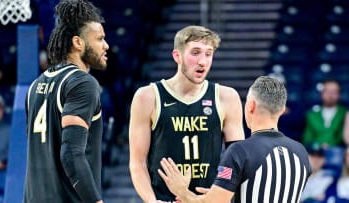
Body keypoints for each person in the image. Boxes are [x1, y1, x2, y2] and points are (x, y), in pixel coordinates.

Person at [129, 25, 244, 202]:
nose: (203, 62)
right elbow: (137, 163)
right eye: (195, 52)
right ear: (177, 56)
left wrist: (220, 192)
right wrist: (152, 201)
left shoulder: (226, 97)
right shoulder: (148, 96)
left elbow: (236, 161)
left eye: (208, 53)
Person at [158, 76, 311, 203]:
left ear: (250, 106)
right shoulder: (301, 153)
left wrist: (182, 192)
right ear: (282, 110)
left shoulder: (240, 150)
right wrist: (225, 193)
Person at [24, 0, 109, 202]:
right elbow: (71, 153)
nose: (106, 46)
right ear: (78, 42)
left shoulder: (36, 85)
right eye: (100, 39)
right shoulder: (82, 83)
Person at [302, 79, 347, 147]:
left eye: (334, 92)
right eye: (327, 91)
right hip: (315, 153)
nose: (330, 95)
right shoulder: (312, 114)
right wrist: (317, 146)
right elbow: (307, 139)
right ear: (321, 93)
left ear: (339, 94)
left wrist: (330, 146)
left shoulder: (345, 113)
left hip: (338, 152)